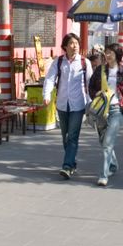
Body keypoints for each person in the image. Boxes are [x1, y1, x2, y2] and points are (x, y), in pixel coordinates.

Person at [87, 43, 123, 187]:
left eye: (110, 52)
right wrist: (95, 94)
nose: (107, 55)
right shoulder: (100, 70)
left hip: (116, 109)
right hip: (101, 109)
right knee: (103, 141)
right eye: (106, 52)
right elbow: (90, 86)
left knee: (107, 143)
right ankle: (114, 165)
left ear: (117, 55)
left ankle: (103, 175)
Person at [42, 33, 93, 179]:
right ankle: (72, 162)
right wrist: (46, 95)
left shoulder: (85, 62)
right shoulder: (58, 62)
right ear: (65, 46)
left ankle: (67, 165)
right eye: (71, 43)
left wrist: (91, 102)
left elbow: (90, 83)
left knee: (73, 136)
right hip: (62, 104)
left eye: (76, 43)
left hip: (78, 105)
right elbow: (50, 79)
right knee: (65, 136)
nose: (75, 46)